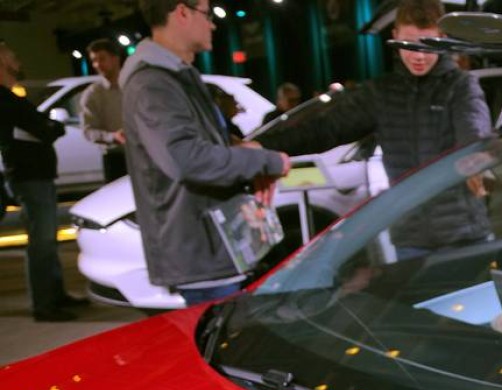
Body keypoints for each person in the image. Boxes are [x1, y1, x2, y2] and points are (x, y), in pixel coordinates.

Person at [256, 0, 491, 255]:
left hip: (464, 234)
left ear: (442, 38)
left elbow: (473, 126)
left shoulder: (461, 86)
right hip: (410, 239)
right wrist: (261, 146)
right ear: (395, 36)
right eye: (410, 43)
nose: (419, 55)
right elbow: (325, 129)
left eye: (428, 43)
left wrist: (475, 157)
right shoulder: (381, 93)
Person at [122, 0, 290, 306]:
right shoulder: (153, 82)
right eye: (207, 14)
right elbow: (187, 159)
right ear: (182, 12)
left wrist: (239, 149)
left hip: (213, 246)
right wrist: (266, 161)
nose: (213, 24)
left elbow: (197, 145)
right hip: (200, 252)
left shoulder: (174, 75)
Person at [0, 42, 87, 322]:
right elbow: (44, 129)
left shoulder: (11, 98)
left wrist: (49, 128)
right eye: (11, 54)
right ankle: (44, 304)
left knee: (47, 240)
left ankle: (54, 295)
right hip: (29, 177)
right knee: (41, 242)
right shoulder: (5, 100)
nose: (17, 58)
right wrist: (50, 128)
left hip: (35, 176)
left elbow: (44, 128)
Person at [80, 38, 128, 181]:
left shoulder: (134, 84)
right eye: (94, 60)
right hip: (116, 158)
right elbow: (88, 130)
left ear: (115, 59)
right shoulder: (93, 94)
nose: (97, 65)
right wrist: (112, 137)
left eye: (102, 59)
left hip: (145, 154)